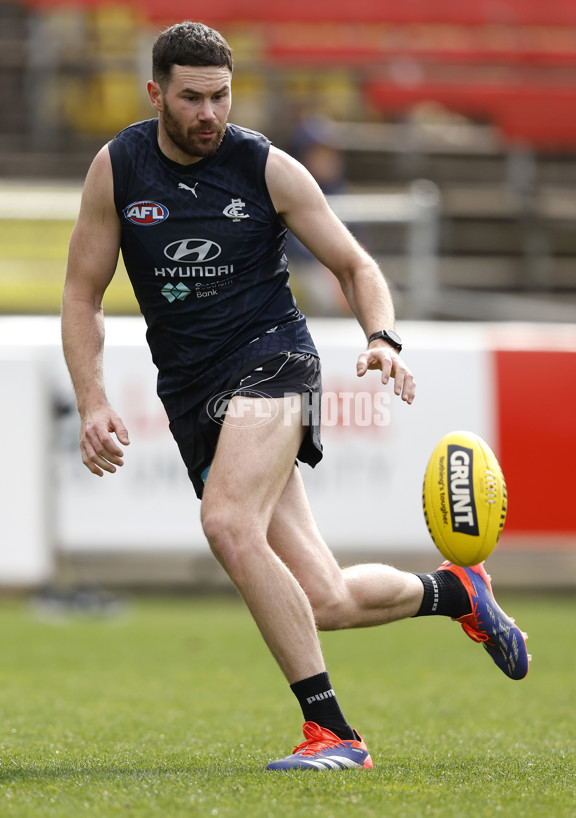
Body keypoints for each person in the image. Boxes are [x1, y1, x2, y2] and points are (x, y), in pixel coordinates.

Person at [61, 21, 529, 771]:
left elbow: (355, 263)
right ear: (156, 94)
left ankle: (334, 734)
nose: (209, 112)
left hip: (273, 360)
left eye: (220, 95)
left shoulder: (265, 167)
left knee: (227, 522)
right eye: (192, 98)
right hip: (191, 390)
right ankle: (456, 592)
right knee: (321, 599)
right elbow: (82, 296)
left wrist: (382, 337)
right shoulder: (117, 170)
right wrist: (92, 399)